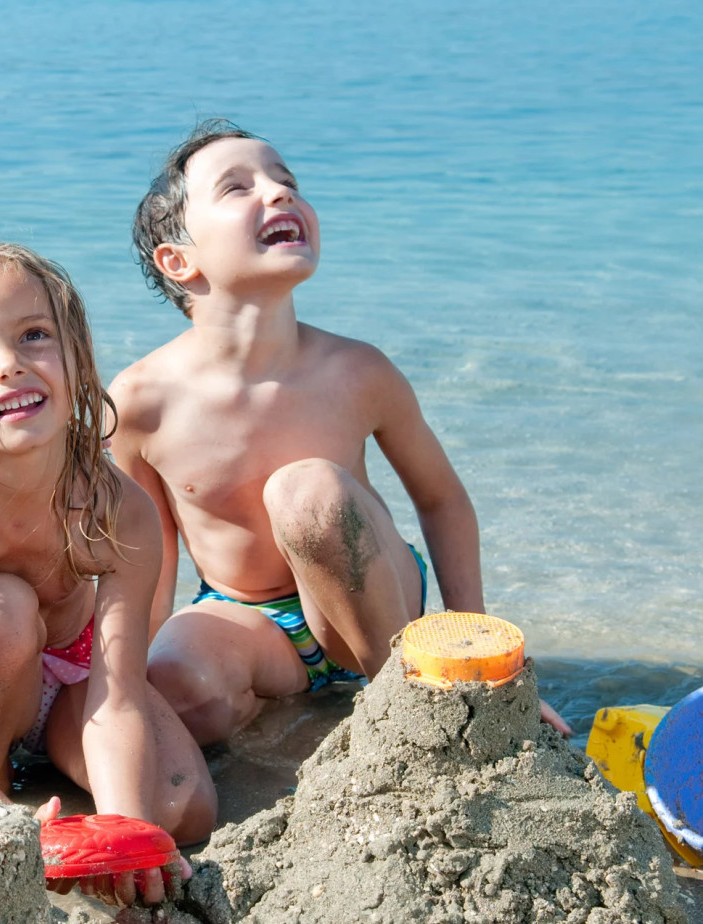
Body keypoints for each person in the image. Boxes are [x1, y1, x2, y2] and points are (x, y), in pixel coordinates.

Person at [109, 120, 571, 746]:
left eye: (287, 181)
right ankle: (297, 732)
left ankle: (416, 706)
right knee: (178, 689)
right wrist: (126, 691)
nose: (279, 194)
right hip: (249, 617)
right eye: (237, 187)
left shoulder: (356, 371)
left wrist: (480, 657)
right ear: (179, 260)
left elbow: (441, 500)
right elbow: (147, 557)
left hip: (373, 594)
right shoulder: (139, 401)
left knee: (306, 493)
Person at [0, 243, 216, 906]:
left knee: (183, 810)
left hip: (78, 681)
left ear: (78, 358)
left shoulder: (115, 507)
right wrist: (4, 830)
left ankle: (60, 774)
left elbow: (119, 696)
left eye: (34, 336)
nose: (10, 366)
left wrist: (125, 833)